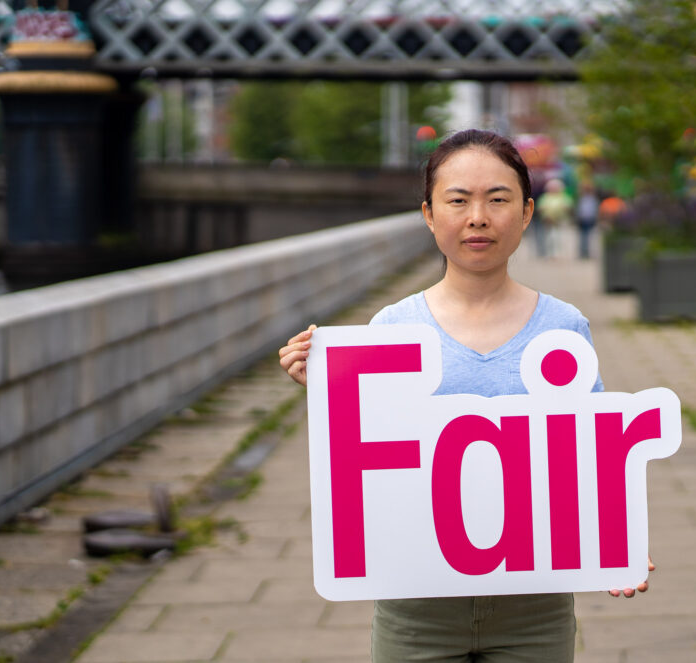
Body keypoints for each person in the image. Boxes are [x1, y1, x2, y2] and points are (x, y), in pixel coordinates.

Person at [279, 129, 653, 662]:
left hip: (536, 607)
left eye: (497, 200)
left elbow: (589, 462)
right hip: (416, 608)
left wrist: (613, 545)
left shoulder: (564, 328)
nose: (478, 217)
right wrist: (329, 390)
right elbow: (370, 464)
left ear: (527, 213)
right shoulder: (392, 328)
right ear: (430, 215)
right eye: (458, 200)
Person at [536, 178, 573, 259]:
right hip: (548, 221)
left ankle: (560, 254)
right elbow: (540, 208)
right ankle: (550, 254)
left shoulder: (564, 197)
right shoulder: (545, 197)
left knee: (560, 238)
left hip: (561, 221)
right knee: (550, 238)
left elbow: (569, 208)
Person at [575, 181, 599, 259]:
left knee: (588, 237)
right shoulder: (581, 199)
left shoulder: (593, 199)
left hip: (590, 219)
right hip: (583, 220)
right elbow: (579, 210)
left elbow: (595, 210)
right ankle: (583, 253)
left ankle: (586, 252)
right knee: (583, 237)